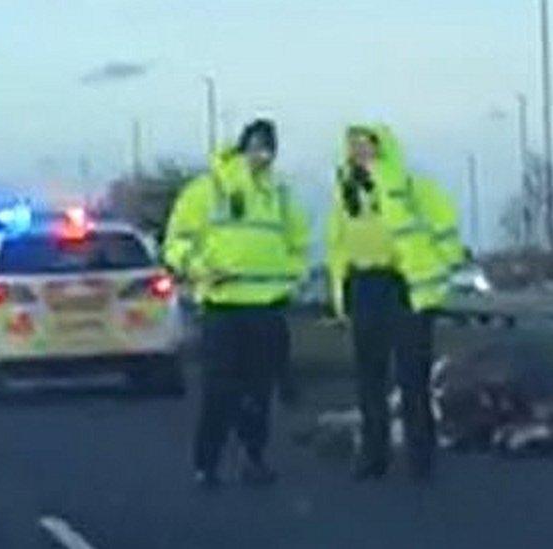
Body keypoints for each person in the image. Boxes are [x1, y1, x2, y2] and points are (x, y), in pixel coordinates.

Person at [164, 119, 309, 488]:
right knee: (220, 389)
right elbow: (176, 243)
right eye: (256, 146)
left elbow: (299, 246)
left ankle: (253, 458)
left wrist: (290, 277)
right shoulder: (208, 189)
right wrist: (201, 269)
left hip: (266, 306)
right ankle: (206, 463)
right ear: (242, 147)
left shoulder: (280, 194)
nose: (262, 154)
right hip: (223, 305)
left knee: (260, 391)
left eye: (269, 148)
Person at [326, 124, 464, 481]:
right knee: (369, 377)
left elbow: (446, 231)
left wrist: (435, 272)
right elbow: (338, 244)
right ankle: (375, 454)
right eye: (353, 147)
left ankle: (421, 459)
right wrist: (341, 293)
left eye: (367, 146)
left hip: (405, 288)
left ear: (382, 149)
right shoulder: (346, 193)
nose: (360, 153)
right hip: (365, 285)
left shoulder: (413, 187)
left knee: (412, 378)